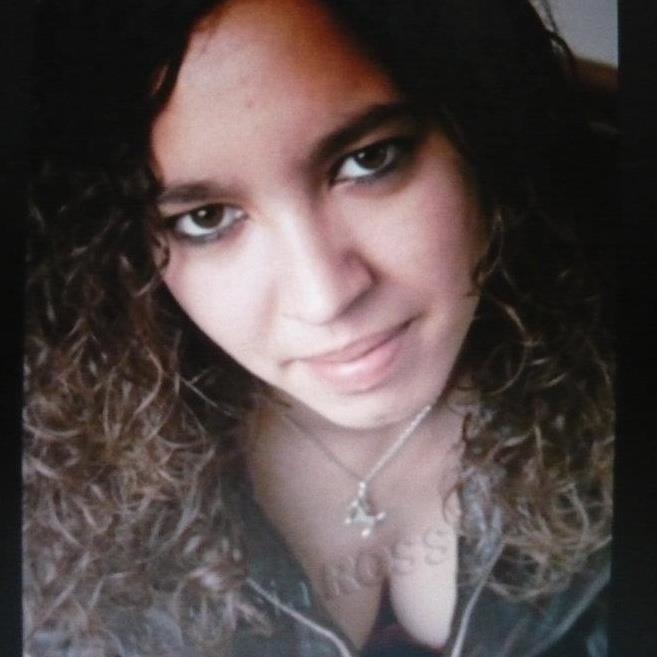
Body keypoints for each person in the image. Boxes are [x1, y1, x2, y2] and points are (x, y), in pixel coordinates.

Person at [24, 0, 615, 655]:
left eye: (369, 160)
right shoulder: (52, 487)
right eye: (206, 218)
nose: (324, 298)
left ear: (478, 126)